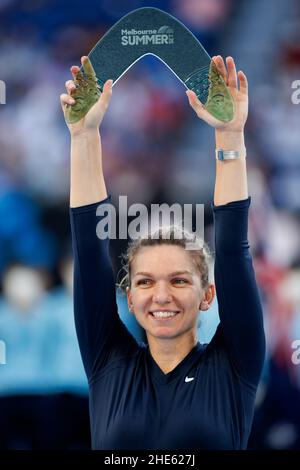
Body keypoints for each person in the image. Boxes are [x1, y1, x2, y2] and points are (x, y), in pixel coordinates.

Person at [60, 55, 266, 450]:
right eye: (145, 282)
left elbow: (233, 248)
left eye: (179, 280)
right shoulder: (108, 361)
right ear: (130, 296)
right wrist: (83, 136)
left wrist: (229, 136)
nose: (161, 295)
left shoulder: (233, 364)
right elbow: (88, 247)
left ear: (208, 295)